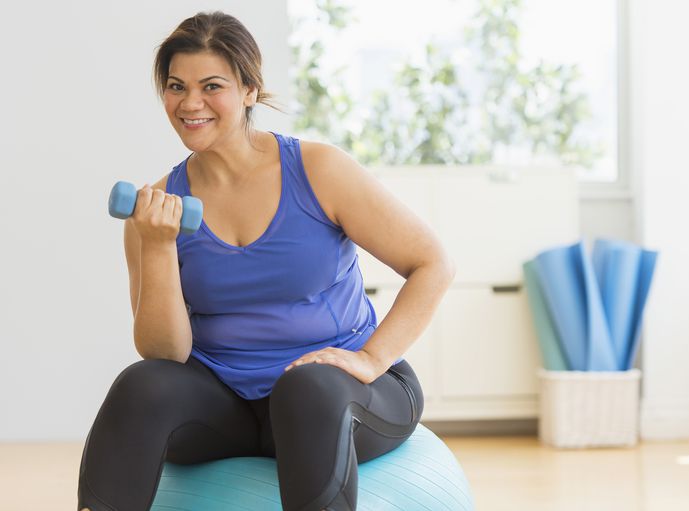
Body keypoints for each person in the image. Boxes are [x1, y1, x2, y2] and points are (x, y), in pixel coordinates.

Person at [77, 10, 455, 511]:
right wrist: (159, 246)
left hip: (340, 398)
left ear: (250, 89)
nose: (190, 103)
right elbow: (165, 352)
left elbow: (432, 263)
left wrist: (370, 359)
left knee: (306, 389)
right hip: (232, 408)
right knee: (141, 385)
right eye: (175, 86)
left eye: (212, 85)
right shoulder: (158, 208)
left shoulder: (319, 171)